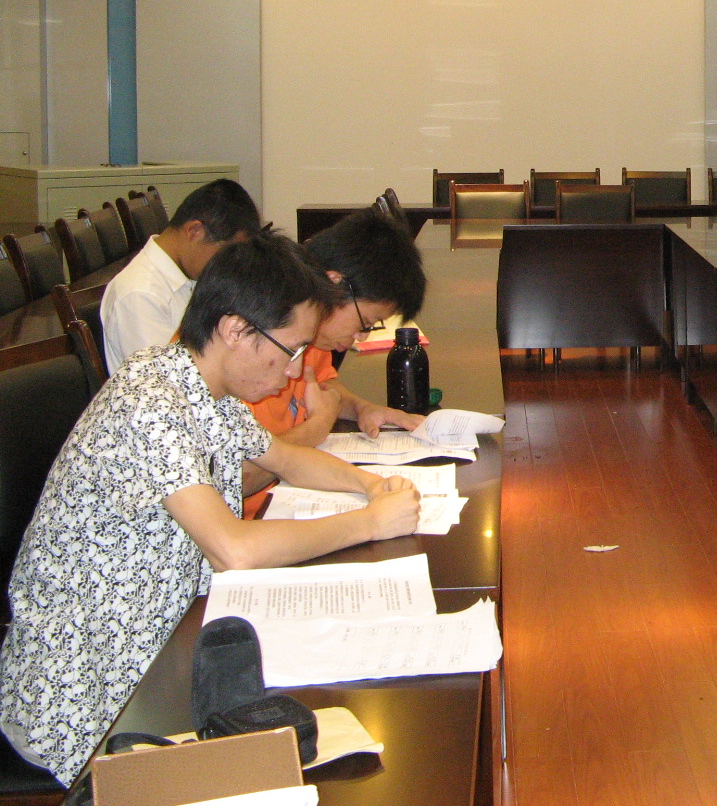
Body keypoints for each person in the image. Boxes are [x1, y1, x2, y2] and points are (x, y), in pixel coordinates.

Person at [0, 232, 422, 783]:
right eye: (291, 350)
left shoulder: (204, 388)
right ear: (235, 330)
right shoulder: (149, 401)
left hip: (163, 647)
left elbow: (287, 460)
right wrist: (367, 523)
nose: (295, 371)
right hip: (90, 696)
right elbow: (233, 550)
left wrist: (371, 485)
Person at [242, 207, 431, 514]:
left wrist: (361, 409)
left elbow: (323, 389)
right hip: (256, 517)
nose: (361, 338)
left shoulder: (310, 328)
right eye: (365, 323)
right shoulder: (251, 343)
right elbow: (236, 478)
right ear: (334, 283)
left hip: (290, 496)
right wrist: (317, 426)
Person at [101, 178, 261, 374]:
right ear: (195, 231)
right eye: (226, 253)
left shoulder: (188, 275)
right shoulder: (141, 295)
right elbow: (164, 379)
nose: (228, 265)